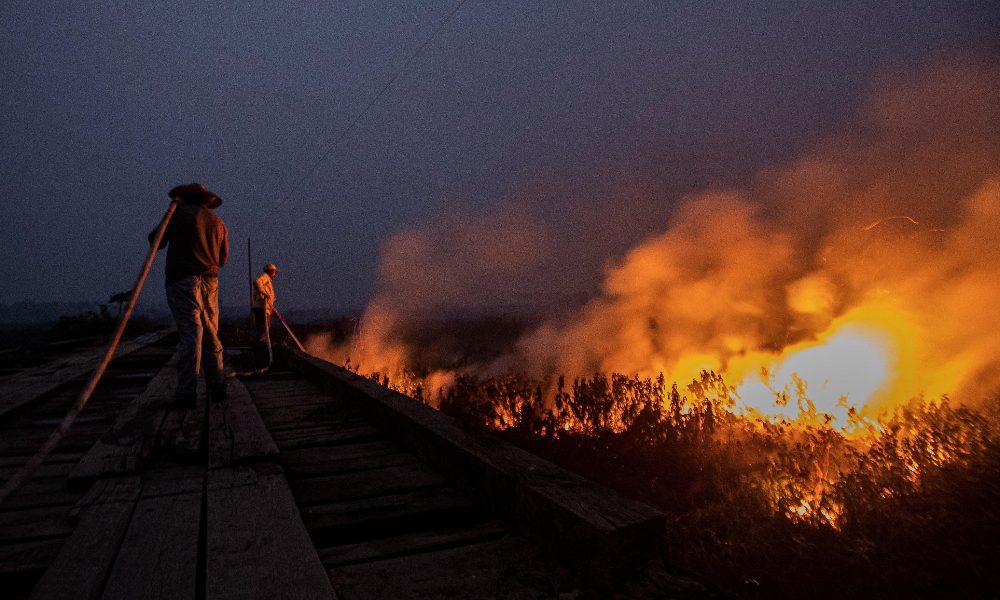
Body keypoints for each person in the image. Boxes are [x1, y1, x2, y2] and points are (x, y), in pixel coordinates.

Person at [149, 183, 229, 408]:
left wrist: (172, 210)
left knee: (191, 334)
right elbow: (222, 261)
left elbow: (155, 240)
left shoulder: (178, 214)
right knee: (211, 332)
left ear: (186, 198)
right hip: (211, 282)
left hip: (183, 281)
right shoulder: (219, 222)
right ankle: (217, 384)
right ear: (206, 200)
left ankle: (186, 393)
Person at [252, 263, 280, 367]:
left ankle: (261, 352)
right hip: (261, 308)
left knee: (264, 330)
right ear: (270, 271)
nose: (275, 274)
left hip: (265, 309)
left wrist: (273, 312)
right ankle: (260, 354)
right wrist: (265, 293)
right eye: (274, 272)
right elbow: (256, 282)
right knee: (263, 331)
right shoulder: (265, 277)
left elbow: (269, 301)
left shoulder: (268, 281)